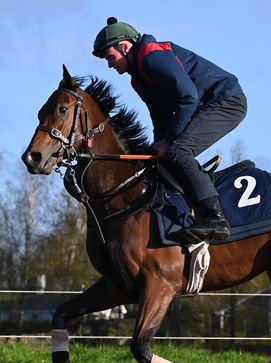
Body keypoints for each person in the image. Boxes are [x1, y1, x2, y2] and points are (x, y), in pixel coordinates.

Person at [92, 17, 247, 240]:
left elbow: (188, 97)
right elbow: (160, 117)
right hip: (202, 106)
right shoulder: (138, 79)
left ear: (124, 47)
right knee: (164, 157)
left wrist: (168, 141)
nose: (110, 65)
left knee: (179, 151)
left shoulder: (151, 56)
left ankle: (215, 218)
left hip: (227, 101)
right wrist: (157, 147)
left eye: (110, 57)